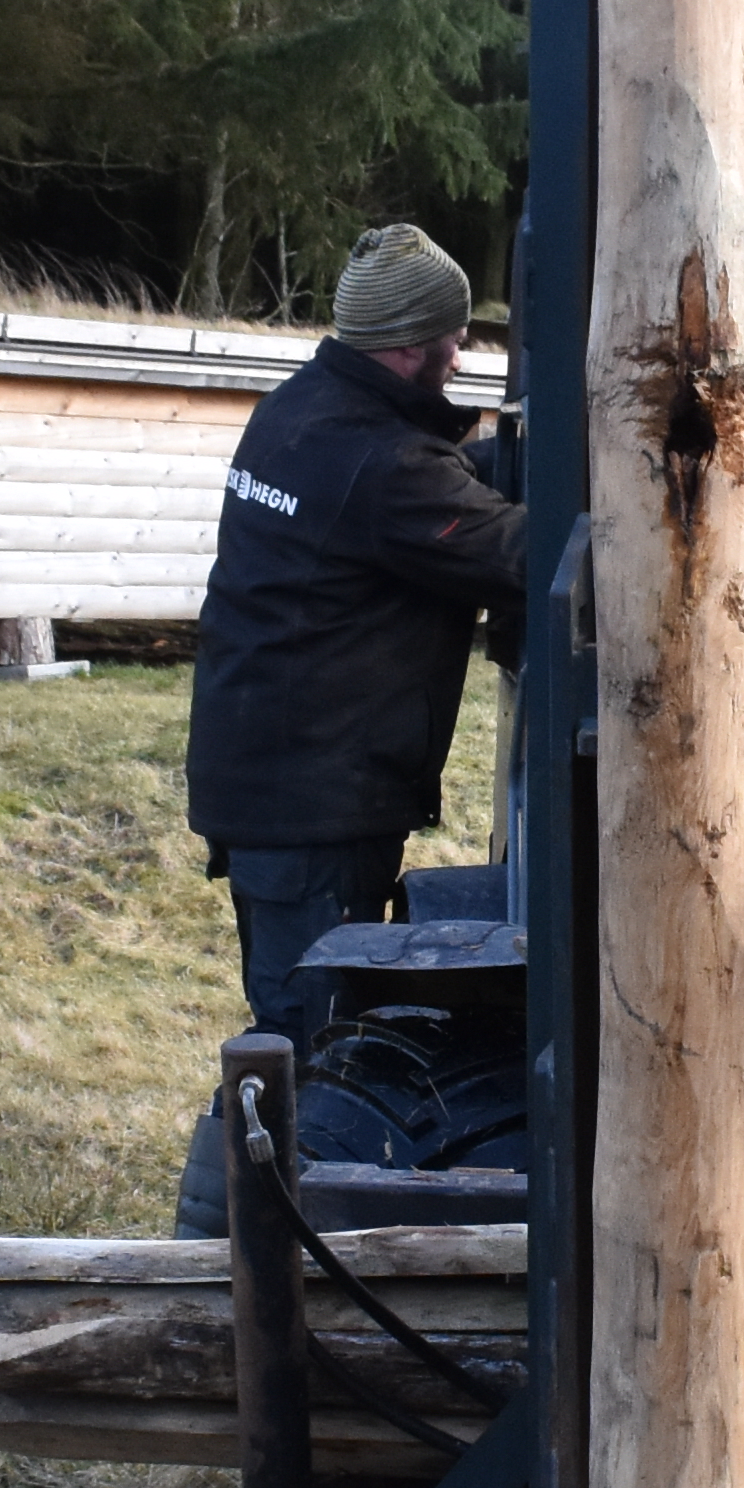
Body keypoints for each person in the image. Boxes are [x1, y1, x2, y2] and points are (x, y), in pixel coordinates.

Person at [172, 222, 522, 1227]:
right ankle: (221, 1254)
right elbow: (513, 550)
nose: (460, 354)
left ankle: (251, 1245)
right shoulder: (378, 464)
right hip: (311, 797)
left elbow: (424, 479)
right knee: (304, 1039)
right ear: (412, 344)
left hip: (273, 779)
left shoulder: (301, 414)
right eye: (451, 337)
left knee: (301, 1024)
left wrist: (508, 454)